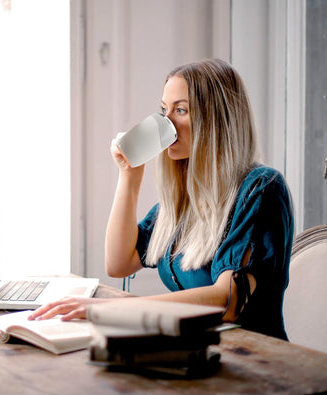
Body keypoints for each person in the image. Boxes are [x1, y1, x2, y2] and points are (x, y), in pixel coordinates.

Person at [29, 58, 294, 340]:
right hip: (196, 347)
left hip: (254, 358)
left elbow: (227, 300)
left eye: (181, 110)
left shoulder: (261, 189)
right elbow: (119, 262)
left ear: (217, 120)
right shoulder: (188, 195)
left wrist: (111, 308)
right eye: (163, 110)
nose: (166, 122)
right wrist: (129, 176)